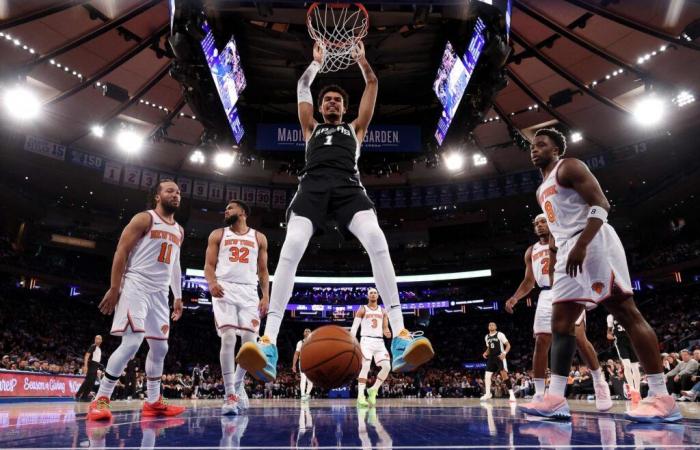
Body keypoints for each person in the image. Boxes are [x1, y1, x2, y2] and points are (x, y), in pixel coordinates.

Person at [236, 41, 433, 381]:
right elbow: (301, 88)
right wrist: (315, 65)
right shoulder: (310, 128)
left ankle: (400, 337)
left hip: (347, 186)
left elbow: (372, 85)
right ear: (321, 105)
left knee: (376, 238)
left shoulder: (356, 129)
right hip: (312, 186)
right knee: (291, 247)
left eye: (337, 100)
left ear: (344, 108)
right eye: (327, 99)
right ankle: (268, 343)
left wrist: (362, 60)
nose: (331, 102)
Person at [522, 128, 680, 422]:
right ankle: (555, 398)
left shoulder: (569, 166)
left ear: (556, 149)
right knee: (561, 323)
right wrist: (561, 252)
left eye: (541, 144)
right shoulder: (540, 188)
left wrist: (582, 244)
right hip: (568, 248)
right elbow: (559, 227)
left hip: (592, 240)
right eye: (532, 146)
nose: (534, 149)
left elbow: (601, 205)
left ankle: (662, 397)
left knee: (624, 310)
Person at [87, 179, 186, 421]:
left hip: (161, 293)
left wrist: (178, 295)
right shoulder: (145, 218)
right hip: (136, 285)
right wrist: (114, 287)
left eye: (179, 192)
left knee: (161, 347)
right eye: (170, 191)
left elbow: (175, 263)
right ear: (157, 196)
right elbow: (121, 250)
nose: (176, 195)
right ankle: (101, 399)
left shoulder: (179, 230)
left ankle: (153, 402)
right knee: (132, 343)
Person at [506, 214, 611, 410]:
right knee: (541, 341)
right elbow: (529, 281)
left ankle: (600, 382)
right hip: (545, 294)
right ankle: (538, 395)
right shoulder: (531, 251)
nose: (539, 225)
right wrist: (515, 297)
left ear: (552, 221)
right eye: (536, 223)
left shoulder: (564, 239)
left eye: (543, 221)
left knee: (579, 338)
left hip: (568, 287)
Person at [205, 200, 269, 415]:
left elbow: (263, 271)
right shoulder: (218, 234)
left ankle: (239, 384)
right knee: (229, 338)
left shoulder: (259, 237)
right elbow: (208, 265)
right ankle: (229, 394)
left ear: (243, 212)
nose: (226, 211)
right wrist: (212, 282)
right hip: (225, 289)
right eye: (226, 208)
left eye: (231, 208)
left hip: (250, 292)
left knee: (250, 347)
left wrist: (266, 296)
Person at [349, 287, 392, 407]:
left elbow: (385, 328)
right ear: (368, 296)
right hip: (366, 341)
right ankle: (360, 396)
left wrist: (387, 332)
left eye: (375, 293)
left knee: (387, 367)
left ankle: (373, 390)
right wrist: (352, 339)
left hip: (379, 342)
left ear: (378, 295)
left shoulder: (383, 311)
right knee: (366, 366)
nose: (373, 295)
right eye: (371, 293)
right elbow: (354, 326)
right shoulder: (362, 309)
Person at [607, 313, 641, 403]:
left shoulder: (628, 313)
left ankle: (637, 391)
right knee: (627, 366)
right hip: (621, 344)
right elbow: (608, 333)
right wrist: (611, 335)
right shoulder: (611, 316)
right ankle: (632, 390)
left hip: (632, 342)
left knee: (635, 367)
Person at [480, 322, 515, 402]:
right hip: (491, 358)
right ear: (488, 327)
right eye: (489, 325)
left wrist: (504, 353)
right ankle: (488, 394)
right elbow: (489, 347)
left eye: (492, 325)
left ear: (496, 327)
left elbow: (508, 345)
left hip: (499, 356)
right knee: (487, 375)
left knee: (504, 375)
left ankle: (512, 395)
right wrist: (485, 353)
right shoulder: (486, 337)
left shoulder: (500, 334)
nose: (491, 326)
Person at [75, 335, 103, 401]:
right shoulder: (93, 346)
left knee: (91, 382)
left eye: (99, 339)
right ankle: (77, 395)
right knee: (87, 381)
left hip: (96, 366)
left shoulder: (99, 349)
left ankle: (84, 397)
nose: (98, 340)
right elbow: (87, 355)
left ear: (101, 341)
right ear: (95, 339)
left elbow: (97, 359)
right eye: (96, 338)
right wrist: (85, 366)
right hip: (92, 365)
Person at [292, 328, 314, 402]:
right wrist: (294, 365)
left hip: (311, 363)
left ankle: (307, 394)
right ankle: (302, 395)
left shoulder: (315, 342)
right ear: (303, 333)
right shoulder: (300, 342)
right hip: (303, 362)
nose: (307, 332)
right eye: (305, 331)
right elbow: (296, 354)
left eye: (308, 331)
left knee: (311, 381)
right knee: (303, 378)